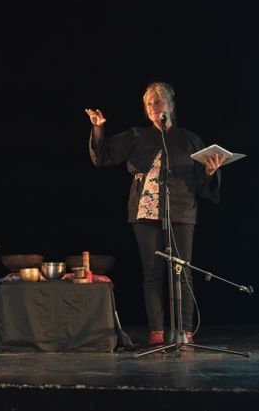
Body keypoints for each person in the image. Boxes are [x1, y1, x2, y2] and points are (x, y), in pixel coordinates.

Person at [85, 82, 226, 345]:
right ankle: (157, 331)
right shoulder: (137, 135)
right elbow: (103, 156)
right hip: (145, 212)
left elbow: (202, 185)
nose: (153, 107)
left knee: (182, 272)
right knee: (152, 273)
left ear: (170, 106)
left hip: (181, 211)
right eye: (149, 104)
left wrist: (210, 173)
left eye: (158, 102)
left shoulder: (189, 139)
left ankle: (184, 331)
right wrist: (98, 128)